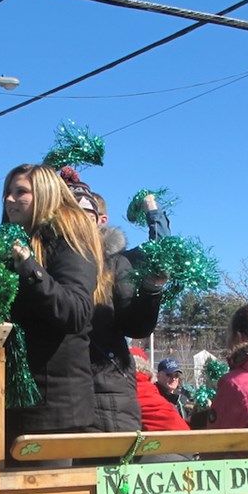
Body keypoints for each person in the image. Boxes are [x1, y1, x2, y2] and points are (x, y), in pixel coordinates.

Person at [0, 163, 103, 448]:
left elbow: (76, 313)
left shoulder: (69, 239)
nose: (9, 199)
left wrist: (31, 270)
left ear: (44, 194)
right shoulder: (14, 244)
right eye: (7, 192)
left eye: (21, 192)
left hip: (55, 409)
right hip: (13, 401)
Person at [70, 176, 170, 433]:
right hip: (58, 396)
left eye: (85, 214)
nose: (76, 223)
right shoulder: (39, 260)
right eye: (66, 213)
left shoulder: (117, 263)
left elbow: (161, 249)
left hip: (108, 394)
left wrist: (153, 211)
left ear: (99, 221)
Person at [128, 347, 190, 432]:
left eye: (176, 375)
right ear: (157, 376)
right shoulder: (152, 395)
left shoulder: (182, 399)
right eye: (169, 375)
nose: (173, 378)